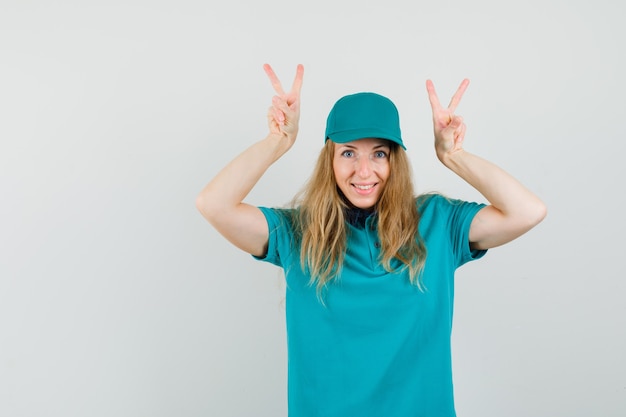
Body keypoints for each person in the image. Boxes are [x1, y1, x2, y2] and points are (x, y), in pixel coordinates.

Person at [196, 64, 547, 417]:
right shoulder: (297, 233)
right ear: (329, 161)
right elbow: (214, 205)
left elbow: (527, 211)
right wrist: (277, 142)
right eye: (348, 153)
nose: (364, 171)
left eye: (379, 153)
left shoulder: (438, 223)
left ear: (395, 160)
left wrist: (454, 157)